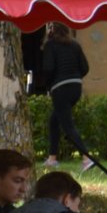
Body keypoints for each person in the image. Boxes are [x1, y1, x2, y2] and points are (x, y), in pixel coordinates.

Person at [40, 21, 93, 171]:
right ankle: (52, 158)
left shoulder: (50, 45)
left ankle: (87, 159)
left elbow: (48, 68)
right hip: (76, 87)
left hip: (60, 88)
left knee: (67, 125)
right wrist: (74, 76)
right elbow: (85, 67)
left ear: (51, 30)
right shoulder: (75, 45)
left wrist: (49, 85)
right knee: (54, 121)